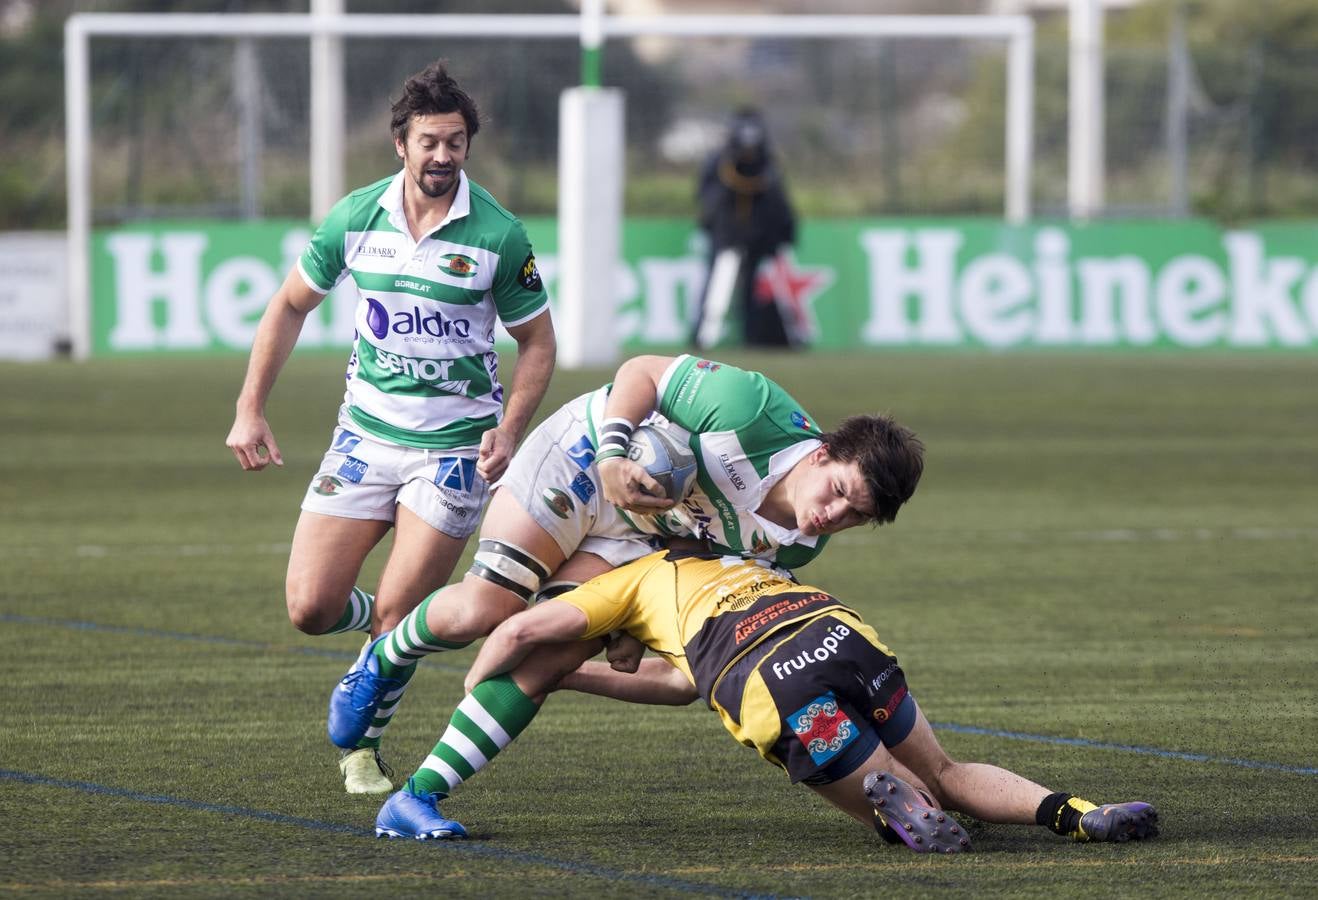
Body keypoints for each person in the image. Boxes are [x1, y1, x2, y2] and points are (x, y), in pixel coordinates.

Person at [325, 353, 924, 768]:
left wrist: (632, 617)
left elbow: (695, 553)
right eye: (839, 493)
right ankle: (385, 654)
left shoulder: (800, 542)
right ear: (822, 456)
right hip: (583, 459)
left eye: (855, 518)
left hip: (638, 534)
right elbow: (639, 373)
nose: (832, 517)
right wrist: (614, 455)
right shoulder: (750, 406)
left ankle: (420, 796)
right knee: (487, 609)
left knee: (550, 653)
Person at [224, 61, 556, 794]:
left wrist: (509, 426)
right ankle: (396, 623)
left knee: (399, 616)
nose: (444, 156)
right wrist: (250, 407)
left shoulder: (498, 234)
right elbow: (286, 307)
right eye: (431, 142)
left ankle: (362, 750)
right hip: (365, 438)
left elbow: (539, 344)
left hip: (453, 452)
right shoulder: (354, 218)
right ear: (400, 144)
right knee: (310, 607)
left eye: (457, 143)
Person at [372, 549, 1160, 852]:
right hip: (837, 634)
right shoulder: (727, 556)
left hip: (767, 682)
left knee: (887, 794)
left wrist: (491, 676)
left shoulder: (622, 582)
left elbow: (523, 630)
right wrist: (583, 678)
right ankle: (1074, 812)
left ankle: (890, 812)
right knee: (945, 768)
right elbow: (676, 686)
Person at [691, 107, 799, 349]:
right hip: (727, 236)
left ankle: (754, 337)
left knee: (754, 290)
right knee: (716, 287)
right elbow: (706, 198)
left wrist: (782, 232)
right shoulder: (720, 162)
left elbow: (778, 201)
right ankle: (702, 335)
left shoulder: (768, 164)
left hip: (759, 237)